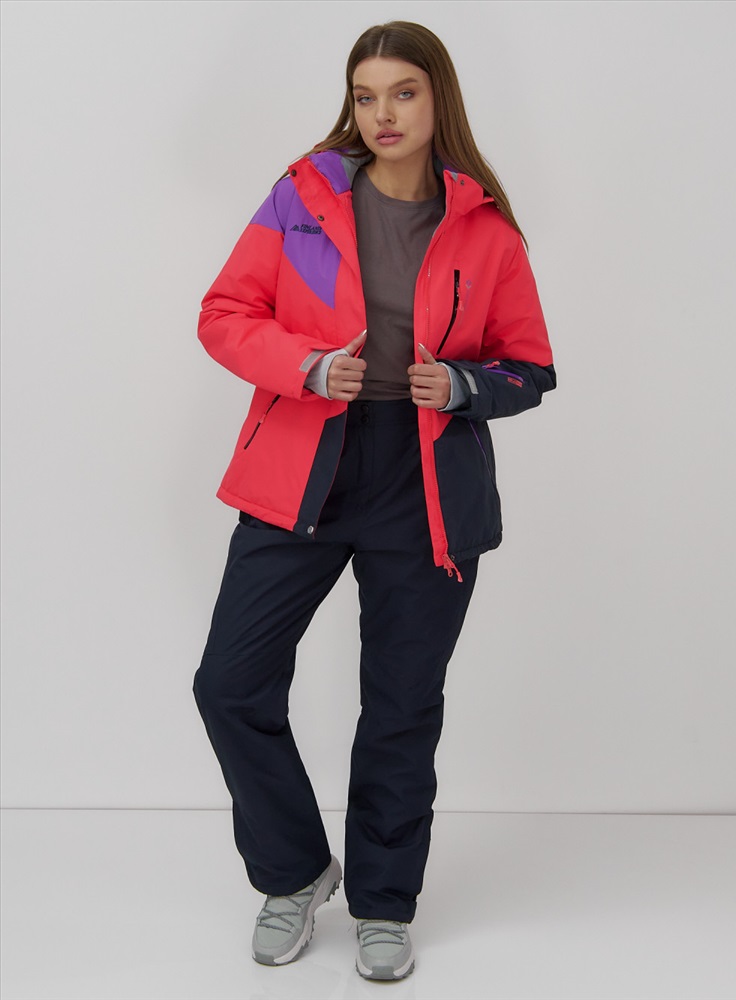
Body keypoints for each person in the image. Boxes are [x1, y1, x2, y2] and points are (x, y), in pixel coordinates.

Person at [192, 20, 556, 982]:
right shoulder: (302, 199)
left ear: (438, 99)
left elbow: (530, 366)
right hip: (302, 468)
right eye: (366, 95)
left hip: (425, 486)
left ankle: (386, 902)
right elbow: (225, 313)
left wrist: (465, 387)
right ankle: (295, 872)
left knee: (400, 705)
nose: (382, 113)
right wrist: (307, 365)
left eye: (403, 92)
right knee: (229, 683)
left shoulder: (485, 227)